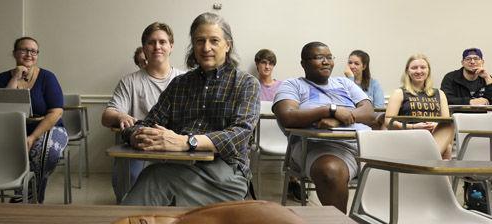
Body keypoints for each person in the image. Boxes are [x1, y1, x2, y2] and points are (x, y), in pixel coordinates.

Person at [120, 12, 259, 206]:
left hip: (226, 174)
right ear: (193, 46)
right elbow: (147, 123)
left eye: (214, 40)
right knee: (154, 177)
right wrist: (136, 135)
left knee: (156, 178)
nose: (206, 47)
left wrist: (188, 142)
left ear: (228, 45)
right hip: (180, 165)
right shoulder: (179, 84)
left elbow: (240, 133)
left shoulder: (246, 83)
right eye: (199, 41)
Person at [272, 41, 375, 213]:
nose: (326, 61)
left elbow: (368, 112)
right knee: (330, 171)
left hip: (361, 143)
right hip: (315, 146)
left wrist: (338, 119)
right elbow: (287, 117)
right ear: (303, 63)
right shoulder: (292, 85)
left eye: (329, 57)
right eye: (319, 57)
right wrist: (329, 109)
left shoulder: (344, 83)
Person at [102, 22, 185, 203]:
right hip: (139, 149)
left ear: (171, 46)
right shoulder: (129, 82)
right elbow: (107, 116)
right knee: (130, 191)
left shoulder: (185, 80)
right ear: (144, 48)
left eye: (162, 42)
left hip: (177, 150)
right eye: (151, 42)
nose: (157, 47)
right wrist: (120, 115)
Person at [0, 37, 68, 203]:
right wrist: (15, 77)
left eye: (33, 51)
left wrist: (33, 137)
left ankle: (31, 195)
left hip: (49, 127)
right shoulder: (2, 78)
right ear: (14, 53)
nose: (29, 54)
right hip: (13, 130)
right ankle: (24, 191)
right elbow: (2, 110)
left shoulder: (48, 77)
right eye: (24, 50)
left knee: (45, 150)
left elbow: (56, 113)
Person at [385, 54, 454, 159]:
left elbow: (446, 120)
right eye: (414, 68)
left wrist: (435, 125)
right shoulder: (399, 93)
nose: (418, 71)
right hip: (409, 135)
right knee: (446, 149)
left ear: (428, 70)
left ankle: (425, 160)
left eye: (423, 67)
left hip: (433, 135)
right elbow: (388, 122)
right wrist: (413, 126)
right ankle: (428, 159)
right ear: (407, 71)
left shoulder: (440, 93)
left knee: (450, 125)